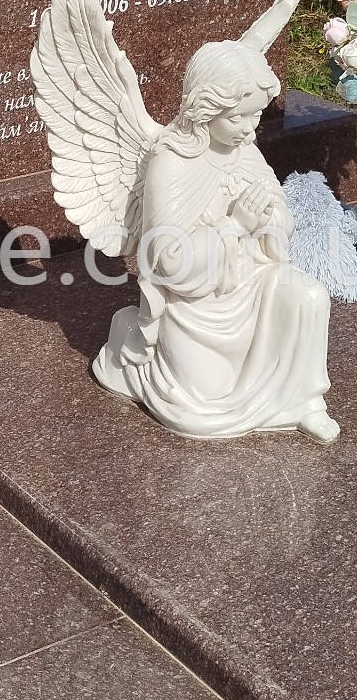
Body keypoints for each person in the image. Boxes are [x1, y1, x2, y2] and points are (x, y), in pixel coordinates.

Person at [92, 37, 339, 441]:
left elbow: (282, 223)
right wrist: (235, 225)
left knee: (309, 296)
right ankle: (134, 344)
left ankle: (305, 401)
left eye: (255, 115)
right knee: (200, 405)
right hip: (193, 305)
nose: (248, 129)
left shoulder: (245, 151)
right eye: (236, 117)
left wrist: (268, 218)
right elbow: (167, 261)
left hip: (253, 281)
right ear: (205, 109)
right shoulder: (171, 164)